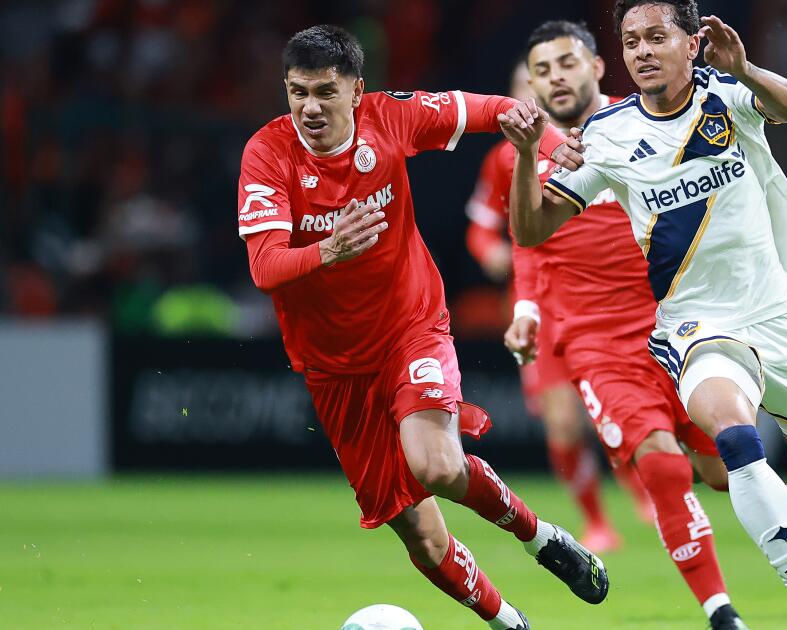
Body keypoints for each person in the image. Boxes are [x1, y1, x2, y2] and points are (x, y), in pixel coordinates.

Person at [497, 3, 787, 628]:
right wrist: (530, 155)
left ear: (691, 43)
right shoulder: (608, 135)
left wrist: (745, 69)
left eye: (655, 37)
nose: (641, 51)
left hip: (780, 309)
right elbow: (532, 231)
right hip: (698, 324)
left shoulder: (728, 93)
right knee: (734, 437)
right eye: (630, 41)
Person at [236, 25, 606, 630]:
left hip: (411, 327)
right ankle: (509, 622)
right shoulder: (268, 153)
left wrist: (544, 132)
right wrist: (328, 249)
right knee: (423, 538)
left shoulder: (390, 119)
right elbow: (265, 266)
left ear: (357, 89)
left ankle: (539, 537)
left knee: (435, 464)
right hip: (332, 366)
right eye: (298, 92)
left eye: (325, 92)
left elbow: (487, 108)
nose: (309, 108)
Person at [492, 20, 746, 629]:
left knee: (722, 469)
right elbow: (527, 240)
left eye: (567, 63)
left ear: (597, 66)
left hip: (677, 322)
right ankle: (721, 611)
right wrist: (526, 308)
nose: (556, 78)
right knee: (659, 461)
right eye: (542, 70)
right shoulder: (517, 153)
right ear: (530, 83)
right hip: (595, 340)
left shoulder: (639, 124)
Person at [465, 58, 625, 554]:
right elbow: (481, 227)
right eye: (519, 89)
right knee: (562, 421)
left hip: (614, 299)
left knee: (630, 414)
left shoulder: (609, 131)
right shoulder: (503, 158)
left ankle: (653, 491)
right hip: (540, 303)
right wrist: (488, 250)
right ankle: (596, 519)